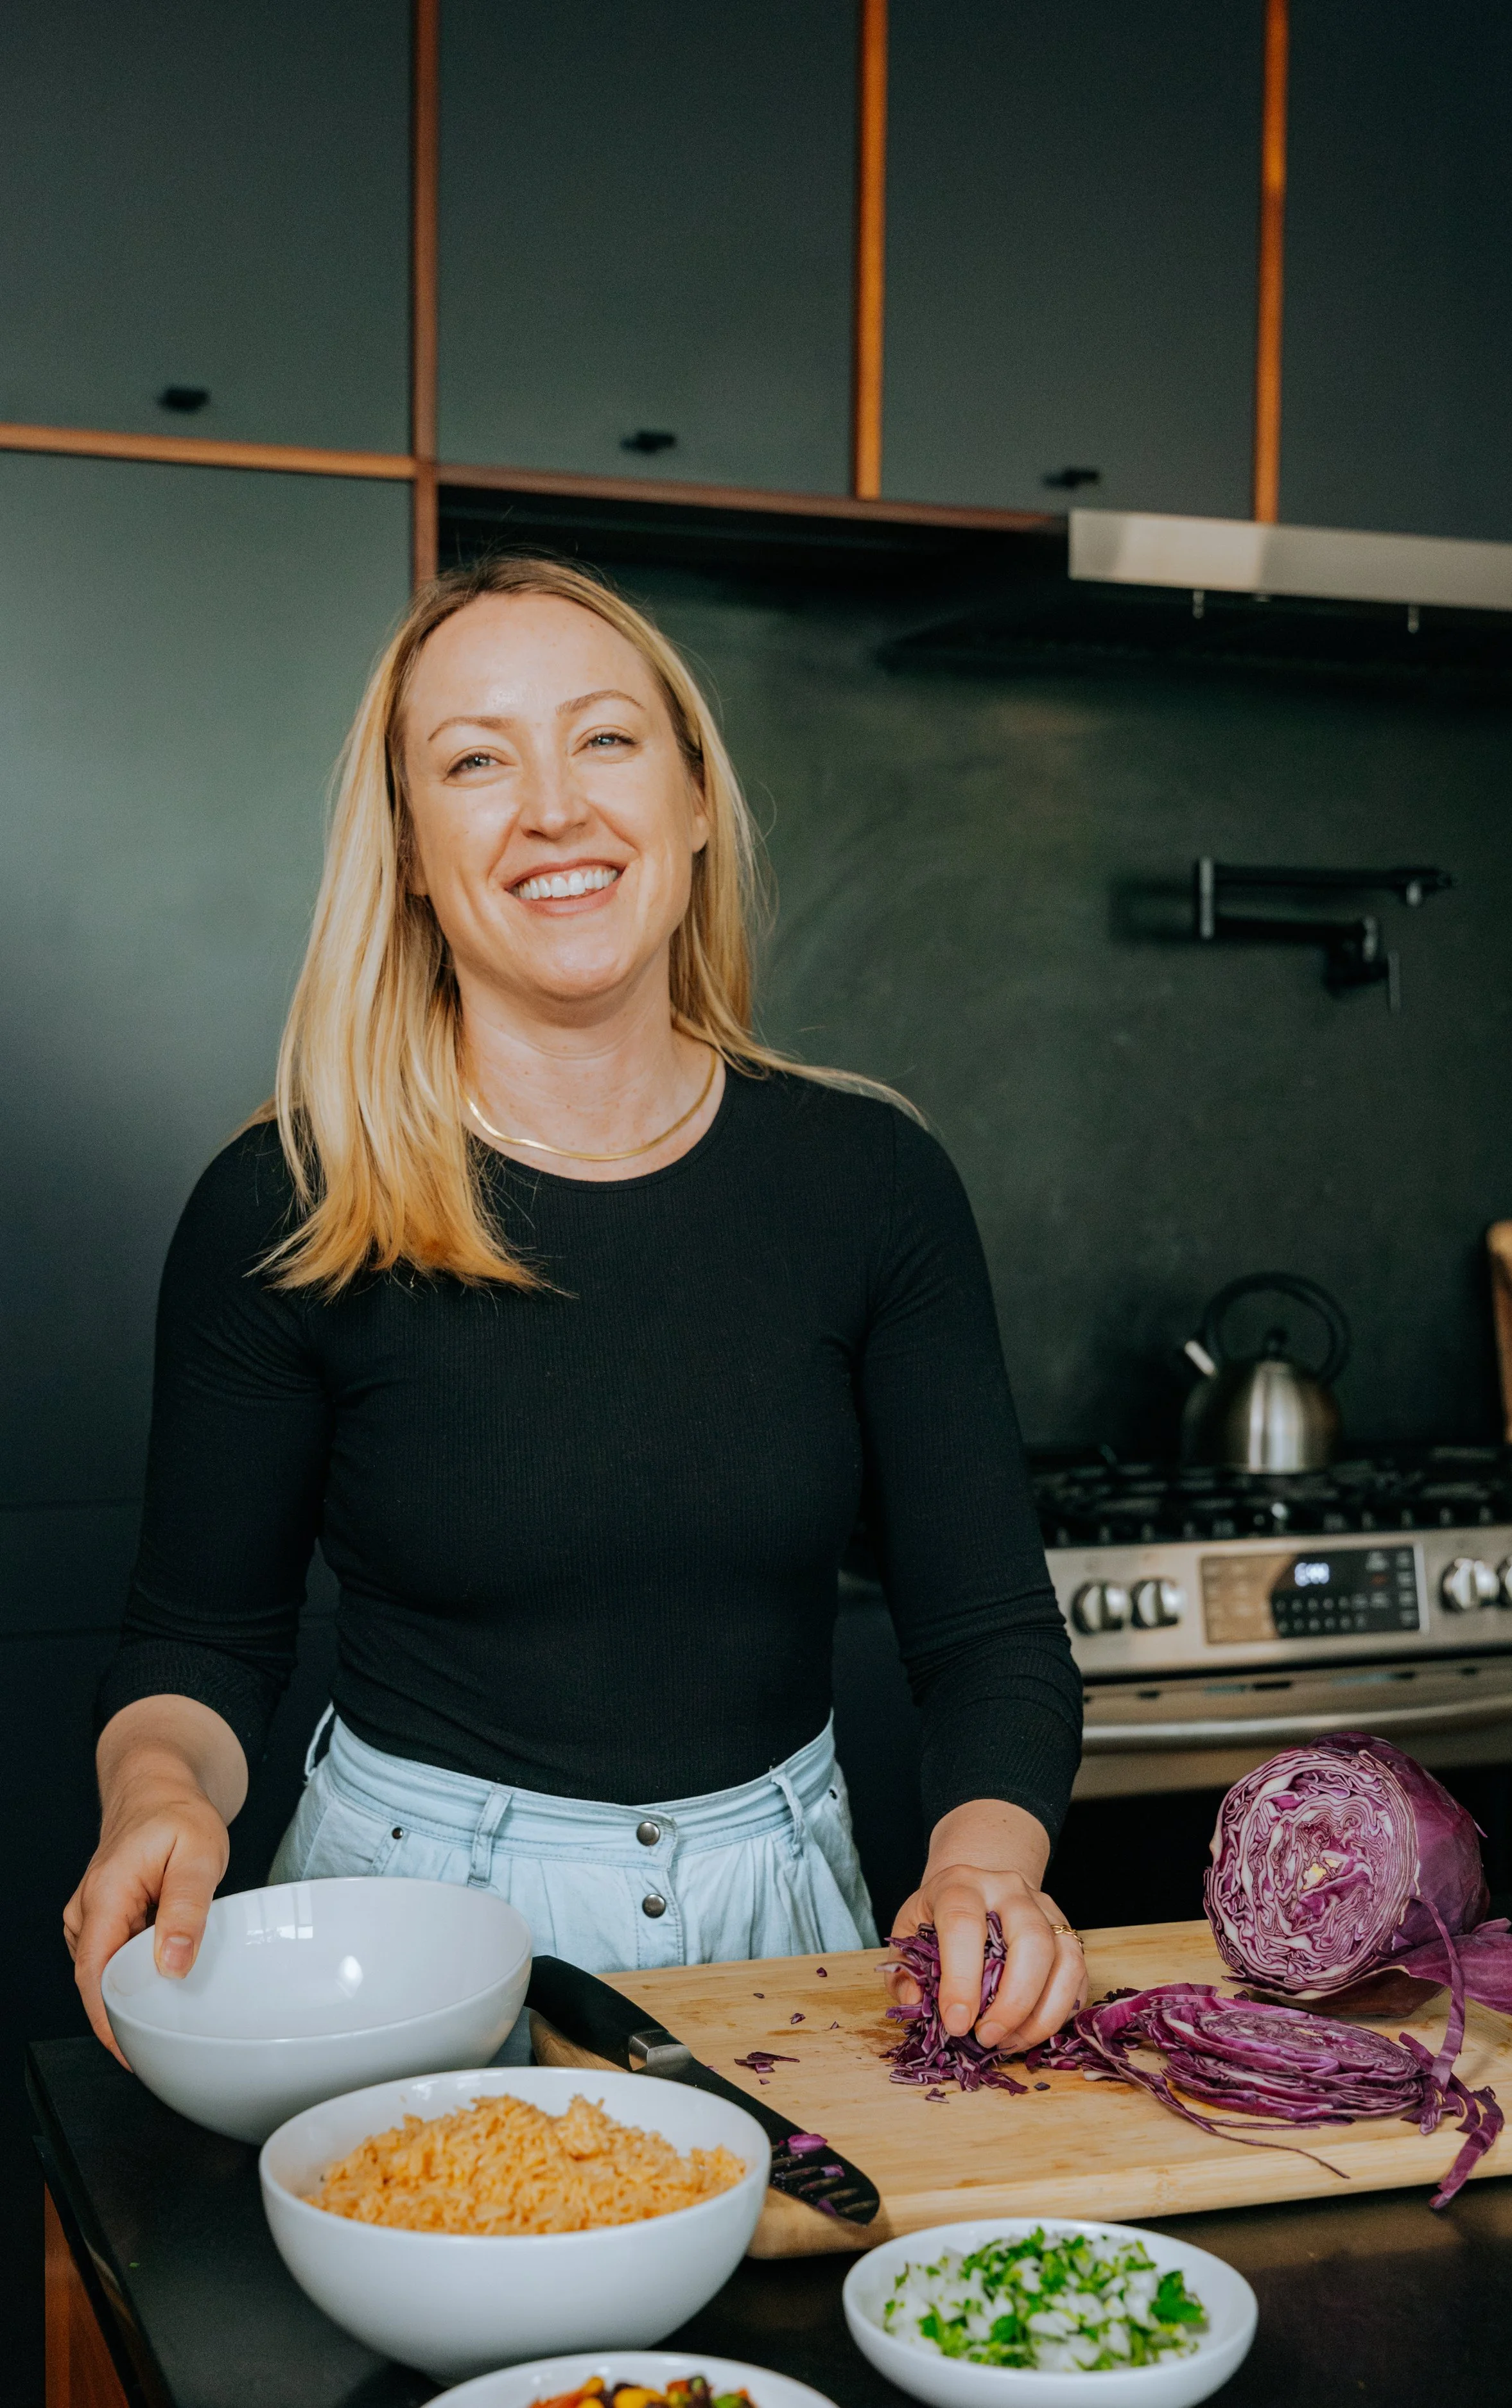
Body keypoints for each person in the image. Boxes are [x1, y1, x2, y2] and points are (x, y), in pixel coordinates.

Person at [65, 555, 1085, 2065]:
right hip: (404, 1932)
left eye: (604, 739)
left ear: (690, 798)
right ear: (411, 850)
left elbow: (989, 1631)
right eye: (476, 761)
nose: (553, 808)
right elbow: (200, 1644)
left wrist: (984, 1864)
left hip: (783, 1929)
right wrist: (155, 1794)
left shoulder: (870, 1177)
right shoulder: (287, 1195)